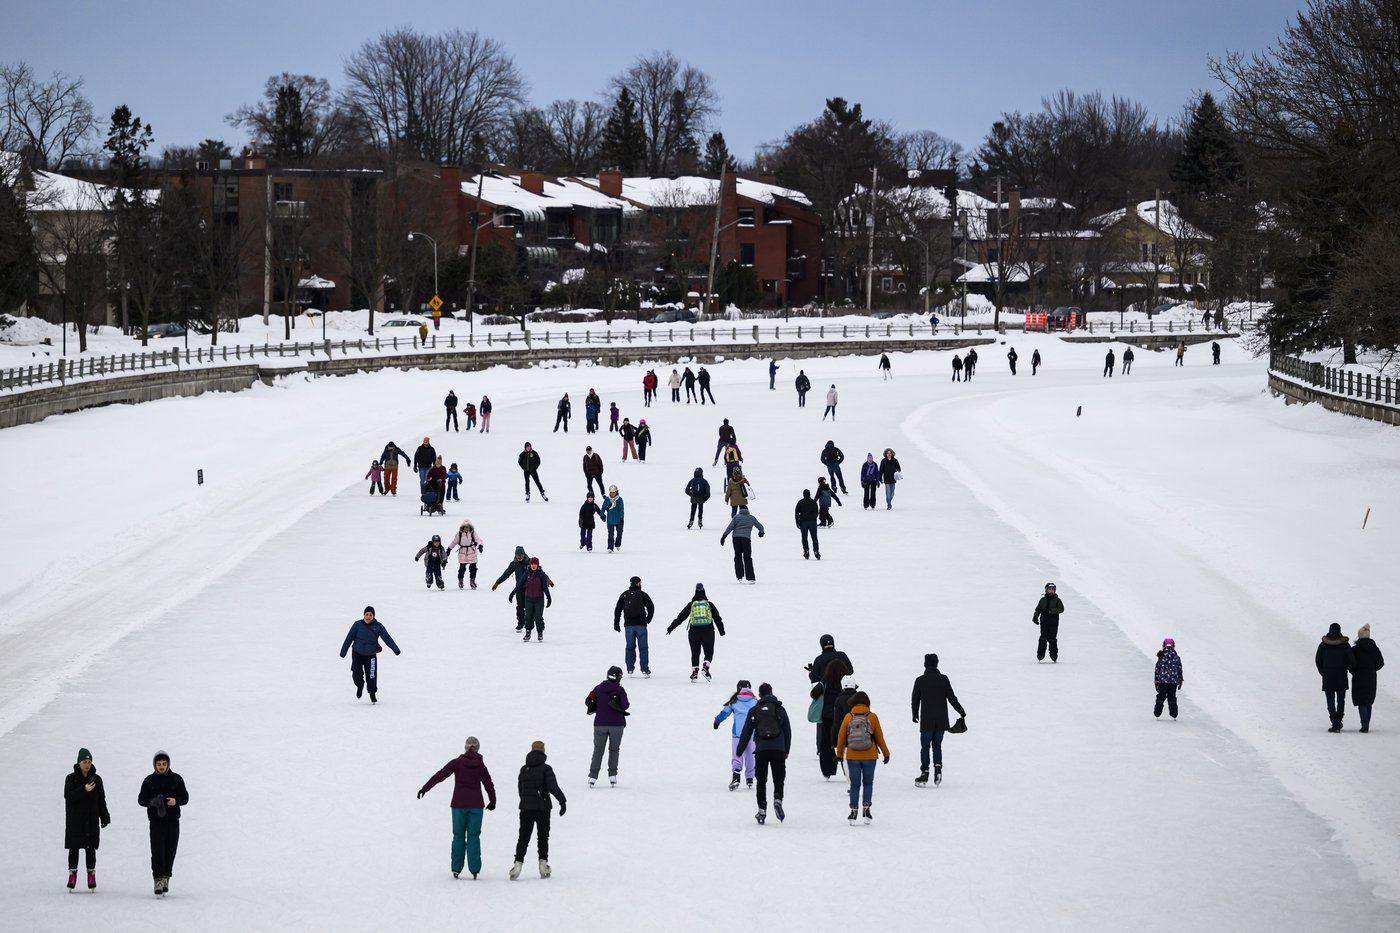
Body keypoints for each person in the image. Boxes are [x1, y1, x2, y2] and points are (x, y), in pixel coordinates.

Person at [418, 737, 497, 879]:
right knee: (474, 837)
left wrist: (425, 788)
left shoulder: (457, 763)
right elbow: (488, 784)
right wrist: (493, 801)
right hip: (476, 806)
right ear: (478, 748)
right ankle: (474, 869)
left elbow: (440, 775)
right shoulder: (481, 766)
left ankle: (456, 868)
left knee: (458, 836)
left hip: (458, 805)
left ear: (465, 747)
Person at [736, 684, 792, 825]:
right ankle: (778, 798)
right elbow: (787, 731)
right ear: (772, 693)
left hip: (761, 750)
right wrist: (786, 749)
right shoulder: (780, 709)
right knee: (779, 778)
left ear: (759, 695)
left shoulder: (755, 710)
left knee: (761, 781)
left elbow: (746, 732)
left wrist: (739, 750)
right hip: (778, 749)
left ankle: (762, 809)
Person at [510, 741, 565, 881]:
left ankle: (517, 865)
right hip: (543, 808)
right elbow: (553, 786)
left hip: (526, 809)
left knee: (523, 837)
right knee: (542, 837)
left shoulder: (524, 769)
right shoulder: (546, 769)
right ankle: (543, 865)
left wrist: (526, 801)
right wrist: (562, 801)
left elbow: (520, 789)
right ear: (543, 751)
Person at [834, 691, 890, 825]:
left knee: (854, 784)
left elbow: (841, 737)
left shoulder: (848, 717)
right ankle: (866, 810)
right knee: (868, 783)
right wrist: (886, 753)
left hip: (852, 755)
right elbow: (879, 737)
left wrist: (840, 755)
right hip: (870, 755)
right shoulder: (873, 717)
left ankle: (853, 812)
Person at [138, 751, 189, 896]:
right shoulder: (149, 781)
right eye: (159, 764)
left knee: (170, 851)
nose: (161, 766)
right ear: (155, 765)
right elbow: (141, 799)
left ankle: (166, 876)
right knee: (157, 851)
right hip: (156, 823)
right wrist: (151, 802)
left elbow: (185, 797)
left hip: (173, 822)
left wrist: (176, 801)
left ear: (168, 764)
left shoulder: (176, 779)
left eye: (164, 764)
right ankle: (158, 879)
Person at [911, 654, 966, 787]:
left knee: (925, 747)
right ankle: (938, 769)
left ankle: (924, 773)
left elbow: (915, 700)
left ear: (925, 664)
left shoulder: (920, 680)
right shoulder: (943, 679)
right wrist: (961, 712)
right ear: (937, 664)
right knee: (937, 746)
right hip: (941, 720)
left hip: (927, 721)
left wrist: (914, 714)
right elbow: (952, 698)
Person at [807, 635, 854, 780]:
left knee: (826, 742)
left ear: (821, 645)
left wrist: (816, 673)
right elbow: (851, 670)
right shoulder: (842, 656)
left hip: (828, 714)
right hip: (846, 713)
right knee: (846, 741)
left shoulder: (820, 661)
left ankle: (827, 771)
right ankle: (849, 770)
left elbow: (813, 681)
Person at [64, 747, 110, 891]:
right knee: (74, 848)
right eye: (84, 761)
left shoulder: (96, 779)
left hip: (91, 819)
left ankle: (91, 874)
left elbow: (101, 799)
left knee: (91, 848)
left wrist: (104, 815)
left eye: (89, 761)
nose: (87, 764)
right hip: (75, 820)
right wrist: (84, 789)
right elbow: (69, 796)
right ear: (79, 763)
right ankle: (72, 874)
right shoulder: (71, 778)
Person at [339, 606, 401, 702]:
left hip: (371, 654)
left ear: (374, 616)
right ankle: (360, 684)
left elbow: (387, 638)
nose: (368, 617)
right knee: (356, 673)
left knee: (372, 675)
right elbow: (349, 638)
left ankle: (372, 693)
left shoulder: (379, 626)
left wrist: (395, 649)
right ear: (364, 615)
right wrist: (343, 652)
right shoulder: (357, 625)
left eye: (370, 615)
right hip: (357, 653)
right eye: (366, 614)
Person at [667, 584, 725, 681]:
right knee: (709, 652)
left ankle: (694, 674)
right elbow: (717, 618)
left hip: (694, 632)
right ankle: (705, 667)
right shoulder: (709, 605)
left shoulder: (691, 605)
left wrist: (671, 627)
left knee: (695, 653)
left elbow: (681, 617)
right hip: (708, 631)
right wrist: (721, 631)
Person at [586, 666, 629, 786]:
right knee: (614, 750)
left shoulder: (598, 688)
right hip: (617, 725)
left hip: (600, 724)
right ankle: (612, 775)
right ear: (619, 677)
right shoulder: (620, 690)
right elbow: (625, 705)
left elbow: (587, 701)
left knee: (598, 751)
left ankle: (592, 777)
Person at [714, 680, 758, 790]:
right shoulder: (755, 701)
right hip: (752, 734)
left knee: (737, 755)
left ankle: (736, 777)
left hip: (737, 734)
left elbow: (725, 712)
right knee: (750, 756)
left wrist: (717, 721)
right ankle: (750, 778)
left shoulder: (734, 701)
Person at [1316, 622, 1356, 732]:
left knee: (1330, 699)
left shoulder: (1323, 645)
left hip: (1328, 676)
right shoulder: (1344, 645)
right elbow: (1351, 660)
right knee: (1340, 699)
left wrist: (1323, 672)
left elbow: (1318, 660)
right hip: (1341, 676)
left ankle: (1334, 722)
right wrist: (1350, 669)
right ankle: (1339, 720)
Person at [613, 575, 655, 676]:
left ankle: (630, 669)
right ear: (638, 583)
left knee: (630, 647)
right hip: (641, 625)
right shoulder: (642, 594)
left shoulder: (624, 595)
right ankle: (644, 670)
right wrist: (647, 620)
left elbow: (617, 609)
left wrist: (616, 624)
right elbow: (651, 607)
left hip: (629, 626)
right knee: (643, 648)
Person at [1352, 624, 1385, 734]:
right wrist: (1372, 669)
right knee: (1368, 700)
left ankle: (1364, 724)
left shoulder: (1355, 649)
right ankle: (1367, 723)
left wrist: (1354, 671)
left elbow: (1350, 663)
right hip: (1371, 676)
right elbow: (1380, 663)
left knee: (1361, 700)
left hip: (1358, 677)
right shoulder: (1375, 649)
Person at [720, 505, 765, 583]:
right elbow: (760, 527)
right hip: (746, 539)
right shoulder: (751, 518)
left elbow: (730, 527)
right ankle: (751, 578)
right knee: (747, 557)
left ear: (740, 510)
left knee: (738, 556)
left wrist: (724, 536)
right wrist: (761, 533)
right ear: (747, 510)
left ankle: (739, 576)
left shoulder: (736, 517)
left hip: (736, 539)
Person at [493, 546, 534, 631]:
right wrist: (497, 582)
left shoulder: (530, 562)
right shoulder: (514, 564)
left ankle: (529, 622)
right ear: (515, 555)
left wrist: (545, 581)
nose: (519, 556)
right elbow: (506, 574)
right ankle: (520, 623)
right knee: (520, 607)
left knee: (529, 606)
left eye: (521, 554)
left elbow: (539, 572)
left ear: (524, 554)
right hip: (519, 588)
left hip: (530, 588)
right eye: (517, 554)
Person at [514, 557, 553, 642]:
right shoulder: (527, 573)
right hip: (528, 599)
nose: (533, 566)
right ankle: (528, 632)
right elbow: (520, 584)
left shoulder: (541, 574)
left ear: (537, 565)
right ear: (530, 564)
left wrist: (548, 597)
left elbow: (545, 587)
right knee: (528, 617)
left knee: (538, 617)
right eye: (532, 564)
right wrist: (513, 593)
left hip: (539, 599)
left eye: (535, 564)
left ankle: (540, 632)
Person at [1033, 582, 1064, 663]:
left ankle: (1054, 655)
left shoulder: (1057, 600)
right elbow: (1038, 609)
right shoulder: (1042, 600)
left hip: (1053, 622)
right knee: (1043, 638)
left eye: (1053, 589)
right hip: (1044, 622)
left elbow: (1061, 609)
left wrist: (1051, 611)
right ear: (1046, 590)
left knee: (1052, 639)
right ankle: (1040, 654)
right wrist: (1035, 617)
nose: (1051, 591)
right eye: (1049, 589)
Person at [1154, 638, 1184, 720]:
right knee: (1172, 696)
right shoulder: (1177, 658)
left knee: (1161, 696)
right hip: (1173, 682)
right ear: (1173, 646)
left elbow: (1157, 669)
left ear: (1163, 646)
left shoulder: (1161, 656)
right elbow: (1179, 669)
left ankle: (1157, 713)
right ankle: (1174, 714)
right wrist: (1180, 680)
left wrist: (1156, 680)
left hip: (1162, 681)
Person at [450, 518, 484, 589]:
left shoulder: (473, 533)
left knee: (473, 568)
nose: (466, 528)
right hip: (463, 552)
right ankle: (460, 581)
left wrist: (480, 545)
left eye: (468, 527)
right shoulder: (459, 534)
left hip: (472, 552)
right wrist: (449, 549)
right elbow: (454, 542)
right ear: (463, 527)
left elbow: (478, 539)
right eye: (465, 527)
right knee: (462, 569)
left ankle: (472, 581)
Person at [795, 489, 821, 560]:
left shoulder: (800, 502)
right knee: (814, 537)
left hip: (803, 522)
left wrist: (798, 523)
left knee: (804, 537)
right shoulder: (813, 502)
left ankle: (806, 551)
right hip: (812, 522)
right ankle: (816, 551)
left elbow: (796, 513)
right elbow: (817, 511)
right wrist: (814, 518)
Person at [602, 485, 625, 553]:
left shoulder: (620, 499)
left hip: (618, 520)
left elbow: (621, 509)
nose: (612, 494)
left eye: (614, 492)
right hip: (610, 520)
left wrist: (621, 518)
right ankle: (610, 547)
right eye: (611, 492)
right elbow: (603, 508)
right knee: (610, 534)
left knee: (620, 533)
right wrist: (602, 515)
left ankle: (617, 544)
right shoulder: (607, 499)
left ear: (616, 492)